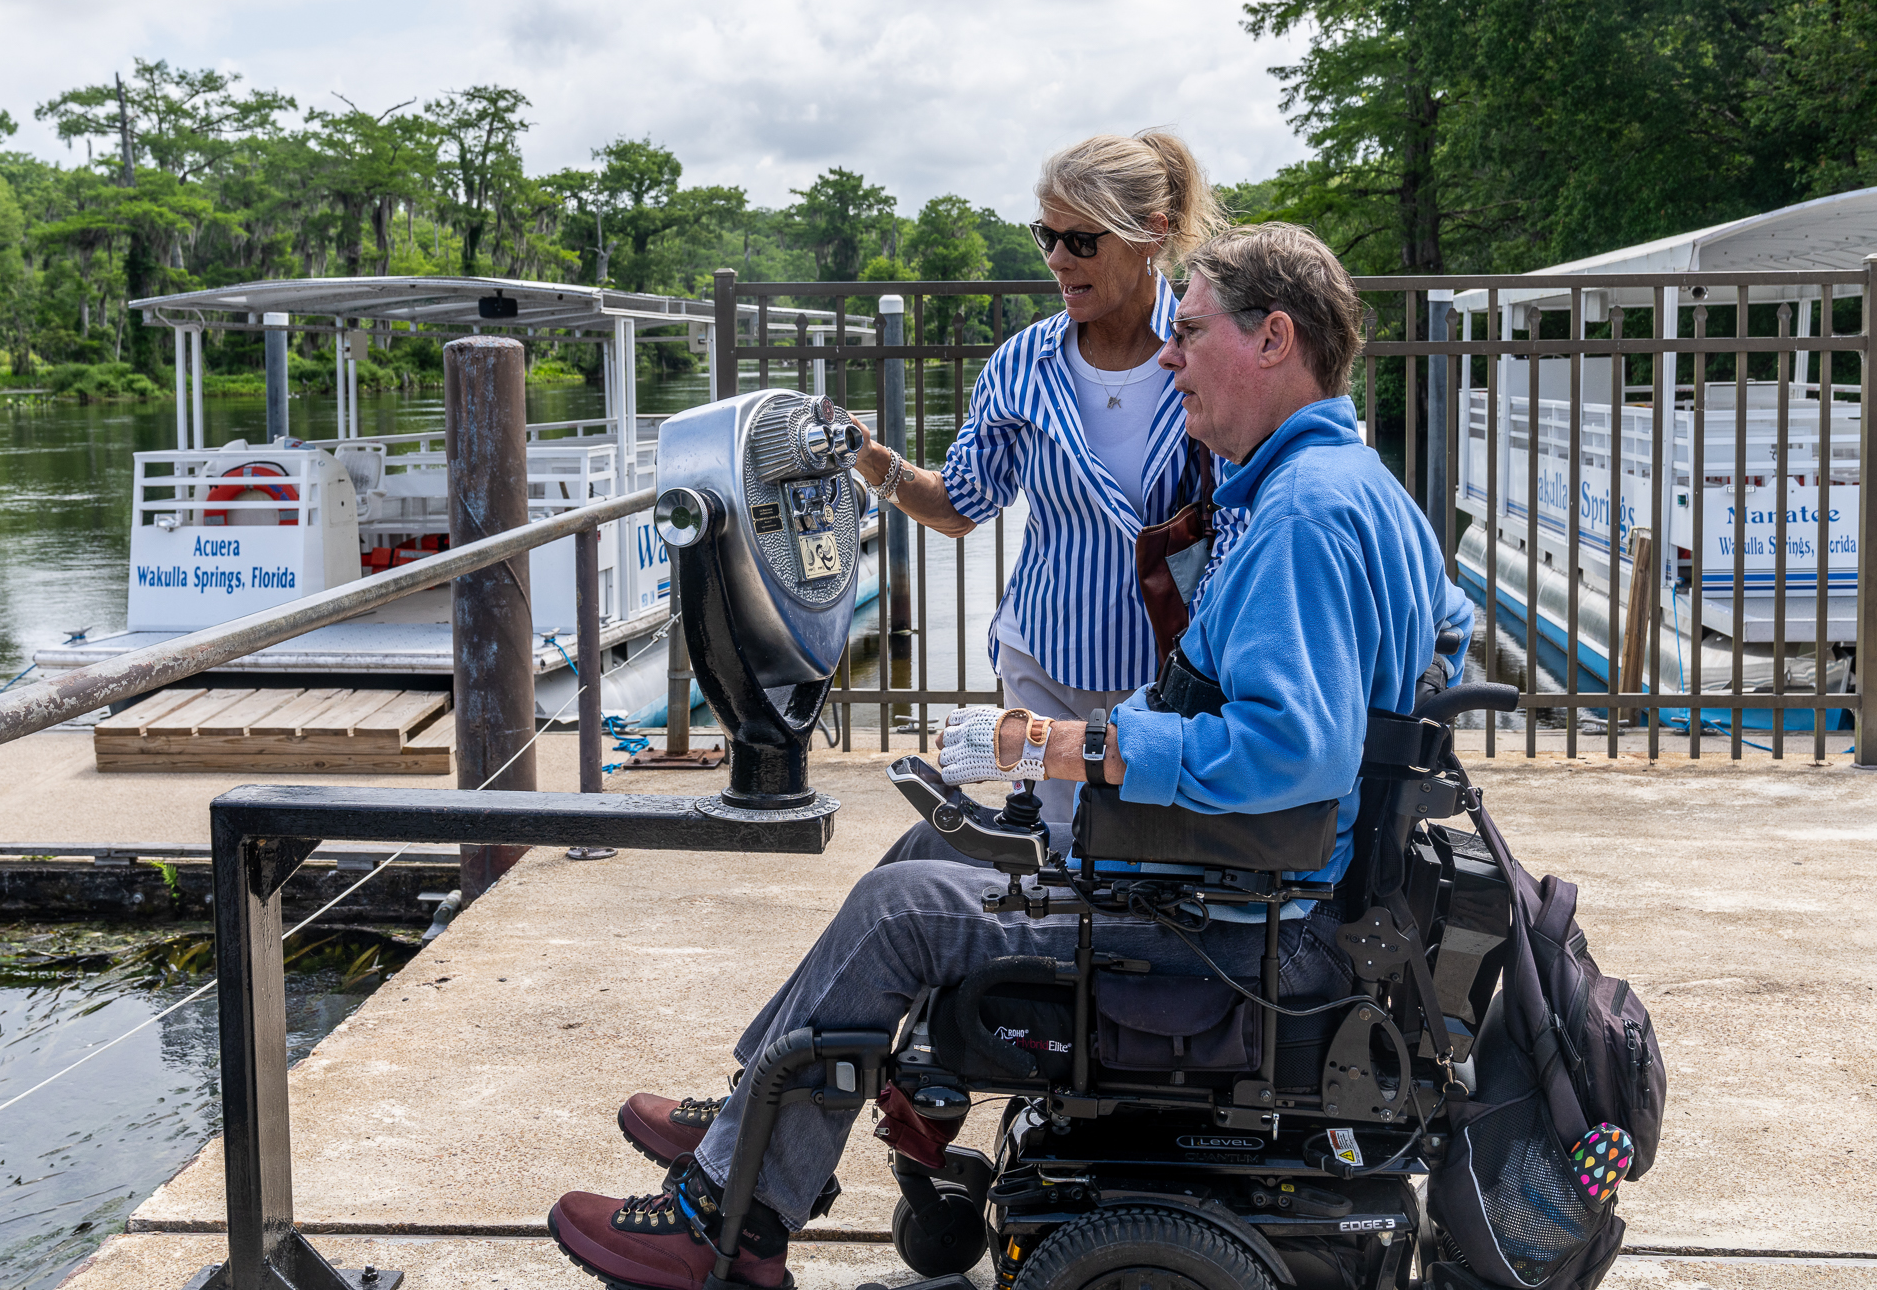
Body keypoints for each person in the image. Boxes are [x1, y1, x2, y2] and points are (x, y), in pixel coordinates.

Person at [548, 223, 1474, 1290]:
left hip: (1245, 926)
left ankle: (730, 1220)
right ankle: (756, 1111)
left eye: (1189, 332)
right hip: (1267, 890)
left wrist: (1064, 741)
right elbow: (1447, 630)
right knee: (916, 851)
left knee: (903, 915)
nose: (1170, 357)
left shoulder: (1305, 513)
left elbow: (1292, 750)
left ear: (1273, 340)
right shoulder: (1361, 485)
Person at [847, 130, 1237, 822]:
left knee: (1154, 865)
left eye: (1081, 240)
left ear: (1150, 234)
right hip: (1044, 661)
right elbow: (959, 504)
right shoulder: (1021, 364)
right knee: (1057, 860)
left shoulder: (1205, 354)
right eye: (1046, 236)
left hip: (1171, 675)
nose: (1058, 259)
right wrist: (869, 459)